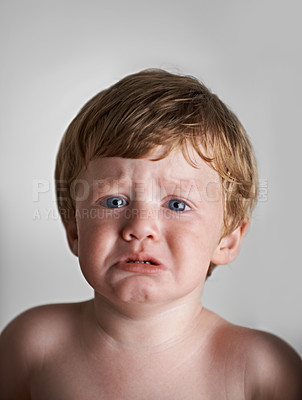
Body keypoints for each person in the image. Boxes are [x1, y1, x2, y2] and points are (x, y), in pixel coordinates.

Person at [0, 69, 301, 400]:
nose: (140, 227)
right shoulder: (32, 345)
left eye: (177, 204)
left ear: (227, 239)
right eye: (114, 201)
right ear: (74, 229)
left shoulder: (261, 370)